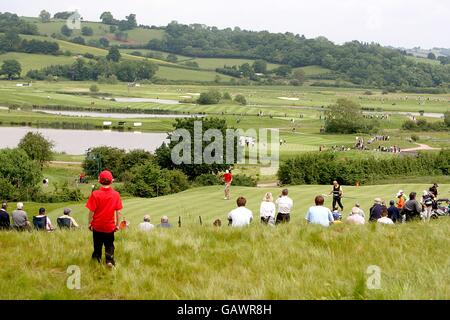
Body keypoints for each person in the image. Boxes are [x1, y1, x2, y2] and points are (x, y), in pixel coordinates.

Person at [86, 170, 123, 268]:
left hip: (97, 226)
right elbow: (118, 212)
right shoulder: (116, 194)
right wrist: (118, 225)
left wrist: (90, 223)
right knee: (109, 245)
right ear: (112, 181)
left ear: (99, 181)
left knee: (97, 245)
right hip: (109, 226)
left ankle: (96, 261)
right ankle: (109, 261)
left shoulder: (95, 194)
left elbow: (91, 212)